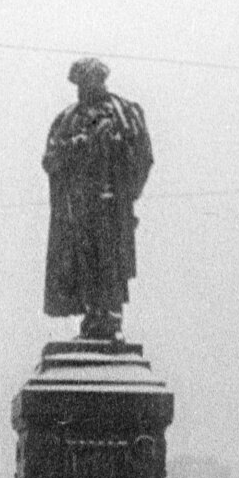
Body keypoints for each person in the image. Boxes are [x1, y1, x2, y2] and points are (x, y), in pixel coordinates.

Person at [43, 56, 154, 341]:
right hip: (78, 205)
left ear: (101, 81)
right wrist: (76, 146)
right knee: (84, 261)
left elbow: (143, 155)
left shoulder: (124, 112)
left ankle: (110, 317)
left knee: (110, 262)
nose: (84, 89)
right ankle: (93, 316)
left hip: (111, 202)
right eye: (80, 84)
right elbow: (50, 160)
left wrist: (127, 190)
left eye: (90, 82)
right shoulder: (68, 119)